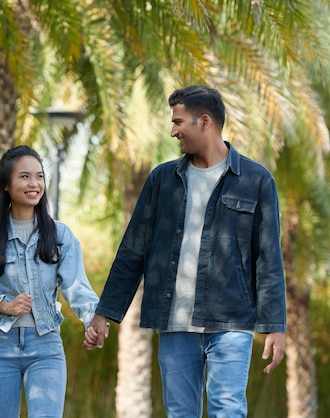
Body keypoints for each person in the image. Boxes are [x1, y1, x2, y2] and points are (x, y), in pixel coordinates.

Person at [84, 85, 287, 417]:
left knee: (228, 408)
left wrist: (275, 325)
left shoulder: (256, 180)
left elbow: (269, 260)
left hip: (231, 322)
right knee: (180, 413)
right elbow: (132, 251)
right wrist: (105, 312)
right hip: (175, 322)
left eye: (179, 122)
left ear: (204, 122)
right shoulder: (163, 180)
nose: (173, 130)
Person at [0, 145, 100, 418]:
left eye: (40, 176)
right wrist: (0, 305)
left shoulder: (59, 235)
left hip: (46, 346)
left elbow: (77, 285)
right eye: (25, 177)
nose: (34, 184)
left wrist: (93, 321)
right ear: (6, 184)